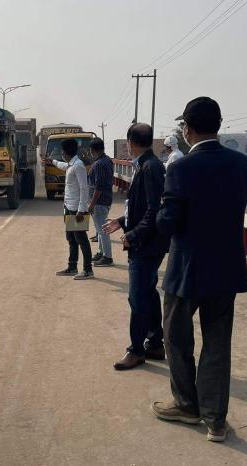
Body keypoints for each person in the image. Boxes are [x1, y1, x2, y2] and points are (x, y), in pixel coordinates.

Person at [151, 97, 247, 443]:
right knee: (218, 344)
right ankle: (215, 420)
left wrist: (158, 215)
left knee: (176, 338)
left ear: (187, 129)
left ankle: (186, 405)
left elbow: (168, 222)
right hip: (226, 267)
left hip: (187, 269)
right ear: (218, 125)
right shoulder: (241, 163)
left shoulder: (180, 169)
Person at [103, 123, 169, 370]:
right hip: (146, 241)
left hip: (147, 244)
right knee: (148, 293)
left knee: (138, 297)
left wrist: (134, 234)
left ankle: (136, 349)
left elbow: (155, 209)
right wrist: (122, 222)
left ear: (131, 142)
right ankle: (154, 343)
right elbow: (141, 207)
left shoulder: (150, 168)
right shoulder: (145, 165)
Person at [44, 138, 94, 280]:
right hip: (69, 207)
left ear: (65, 152)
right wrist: (51, 161)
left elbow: (85, 188)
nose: (61, 154)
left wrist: (81, 210)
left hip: (77, 209)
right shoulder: (71, 164)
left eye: (62, 151)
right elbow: (63, 166)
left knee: (81, 239)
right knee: (71, 238)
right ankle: (72, 267)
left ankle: (88, 270)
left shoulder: (78, 166)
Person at [87, 137, 114, 267]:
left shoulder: (99, 164)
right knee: (99, 229)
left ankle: (107, 257)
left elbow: (99, 186)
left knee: (102, 230)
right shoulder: (107, 160)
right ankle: (101, 252)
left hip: (99, 201)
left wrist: (91, 204)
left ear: (92, 150)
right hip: (105, 200)